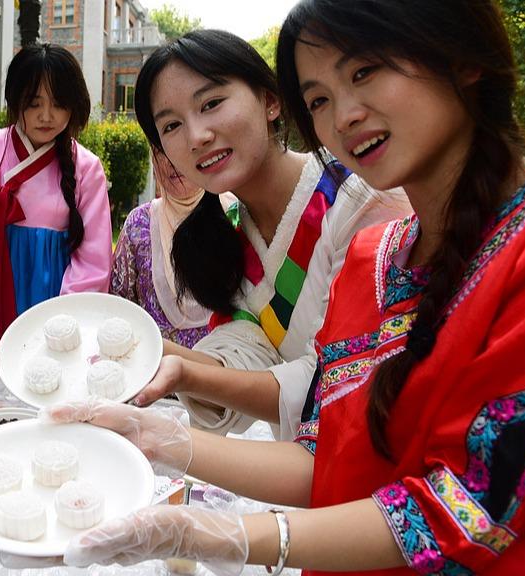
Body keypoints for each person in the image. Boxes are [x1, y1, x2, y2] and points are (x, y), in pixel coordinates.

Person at [49, 0, 525, 572]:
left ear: (460, 54)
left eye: (364, 70)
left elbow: (466, 509)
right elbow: (324, 448)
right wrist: (160, 441)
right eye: (321, 100)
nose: (344, 116)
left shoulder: (513, 245)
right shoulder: (370, 258)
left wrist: (229, 535)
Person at [128, 29, 409, 440]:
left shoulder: (360, 198)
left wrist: (179, 377)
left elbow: (336, 380)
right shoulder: (233, 239)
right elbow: (244, 363)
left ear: (270, 101)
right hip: (303, 480)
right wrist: (138, 348)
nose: (196, 136)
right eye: (171, 126)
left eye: (211, 104)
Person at [0, 43, 112, 341]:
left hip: (49, 305)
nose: (46, 116)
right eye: (34, 103)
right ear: (16, 100)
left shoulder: (87, 167)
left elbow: (93, 261)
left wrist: (63, 322)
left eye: (58, 103)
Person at [112, 150, 217, 348]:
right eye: (161, 151)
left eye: (181, 146)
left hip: (222, 368)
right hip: (153, 365)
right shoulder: (139, 224)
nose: (171, 161)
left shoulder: (234, 214)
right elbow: (119, 304)